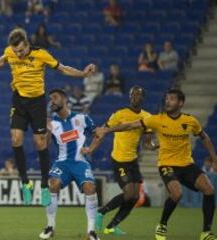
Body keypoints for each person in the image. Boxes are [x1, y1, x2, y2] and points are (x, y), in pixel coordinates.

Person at [0, 28, 95, 206]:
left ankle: (44, 185)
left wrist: (83, 73)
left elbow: (62, 68)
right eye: (15, 51)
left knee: (40, 143)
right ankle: (25, 182)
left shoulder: (41, 54)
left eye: (21, 51)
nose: (18, 54)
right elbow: (3, 60)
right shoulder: (10, 52)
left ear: (27, 44)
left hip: (37, 103)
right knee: (16, 139)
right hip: (19, 101)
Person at [95, 89, 217, 240]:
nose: (168, 101)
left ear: (181, 103)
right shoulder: (155, 119)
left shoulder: (190, 121)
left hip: (185, 164)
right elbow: (128, 126)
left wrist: (214, 158)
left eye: (172, 99)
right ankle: (161, 225)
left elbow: (204, 137)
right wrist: (106, 130)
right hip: (162, 164)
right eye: (166, 98)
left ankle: (206, 232)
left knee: (209, 190)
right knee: (174, 193)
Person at [95, 86, 158, 235]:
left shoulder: (147, 117)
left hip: (132, 161)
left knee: (136, 197)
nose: (135, 97)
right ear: (130, 97)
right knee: (129, 193)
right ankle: (102, 212)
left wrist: (155, 146)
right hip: (119, 159)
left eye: (138, 94)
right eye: (133, 94)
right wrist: (92, 148)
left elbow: (147, 143)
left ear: (143, 98)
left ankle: (111, 226)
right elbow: (103, 131)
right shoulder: (119, 114)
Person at [39, 88, 100, 240]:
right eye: (51, 98)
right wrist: (46, 131)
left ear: (64, 100)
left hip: (80, 162)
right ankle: (50, 227)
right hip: (62, 163)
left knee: (90, 188)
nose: (52, 101)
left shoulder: (82, 118)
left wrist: (91, 148)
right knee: (53, 184)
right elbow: (44, 147)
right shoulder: (52, 123)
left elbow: (99, 133)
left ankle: (91, 231)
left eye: (55, 97)